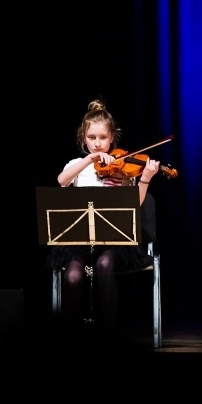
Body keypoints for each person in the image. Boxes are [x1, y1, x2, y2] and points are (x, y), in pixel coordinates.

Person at [47, 99, 161, 341]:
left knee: (105, 264)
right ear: (83, 139)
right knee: (73, 275)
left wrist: (145, 179)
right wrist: (88, 161)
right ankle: (68, 337)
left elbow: (136, 204)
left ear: (112, 139)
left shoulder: (121, 169)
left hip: (114, 241)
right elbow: (61, 181)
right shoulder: (77, 166)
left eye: (102, 138)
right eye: (91, 138)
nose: (97, 143)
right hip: (81, 240)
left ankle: (109, 336)